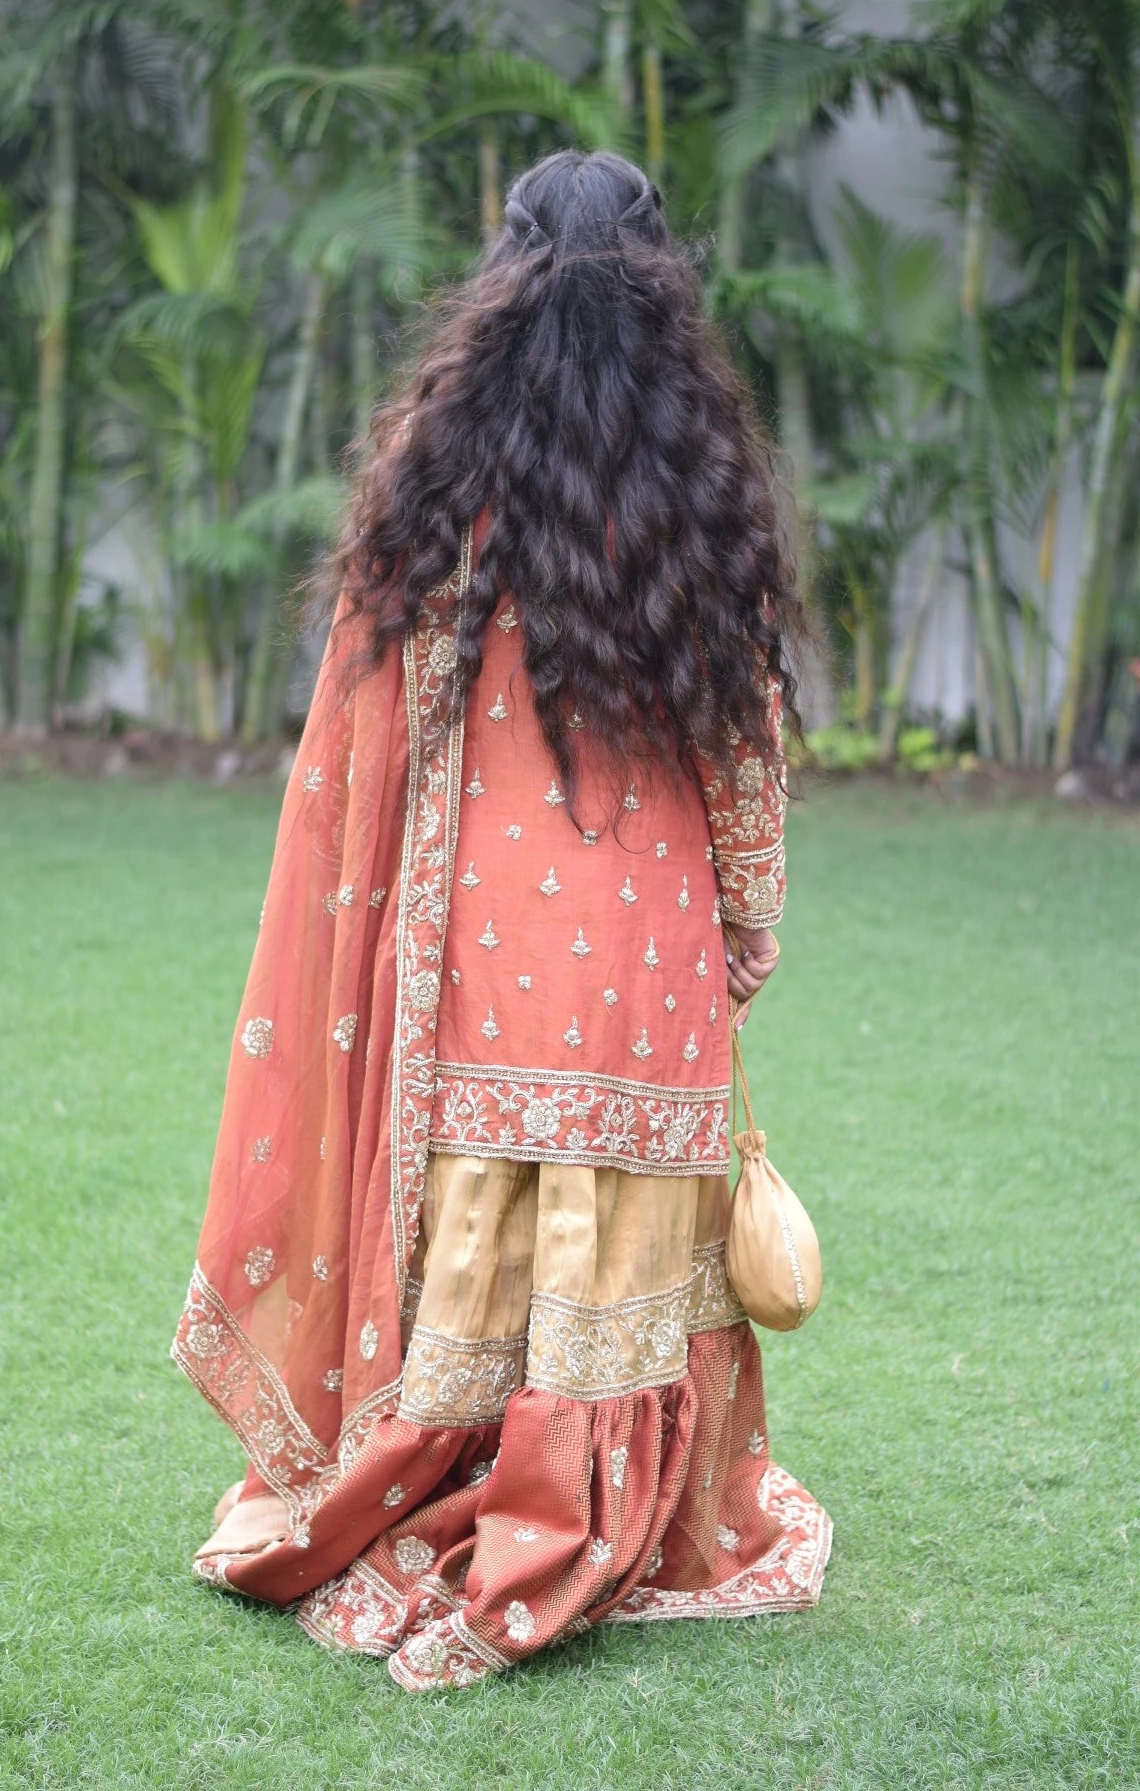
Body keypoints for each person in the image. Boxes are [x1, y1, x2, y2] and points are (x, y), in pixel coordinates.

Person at [171, 149, 831, 1691]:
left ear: (503, 273)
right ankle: (628, 1521)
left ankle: (460, 1488)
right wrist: (746, 922)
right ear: (666, 277)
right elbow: (747, 742)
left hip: (490, 946)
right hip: (651, 945)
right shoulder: (700, 485)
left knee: (489, 1226)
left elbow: (370, 717)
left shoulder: (443, 481)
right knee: (625, 1227)